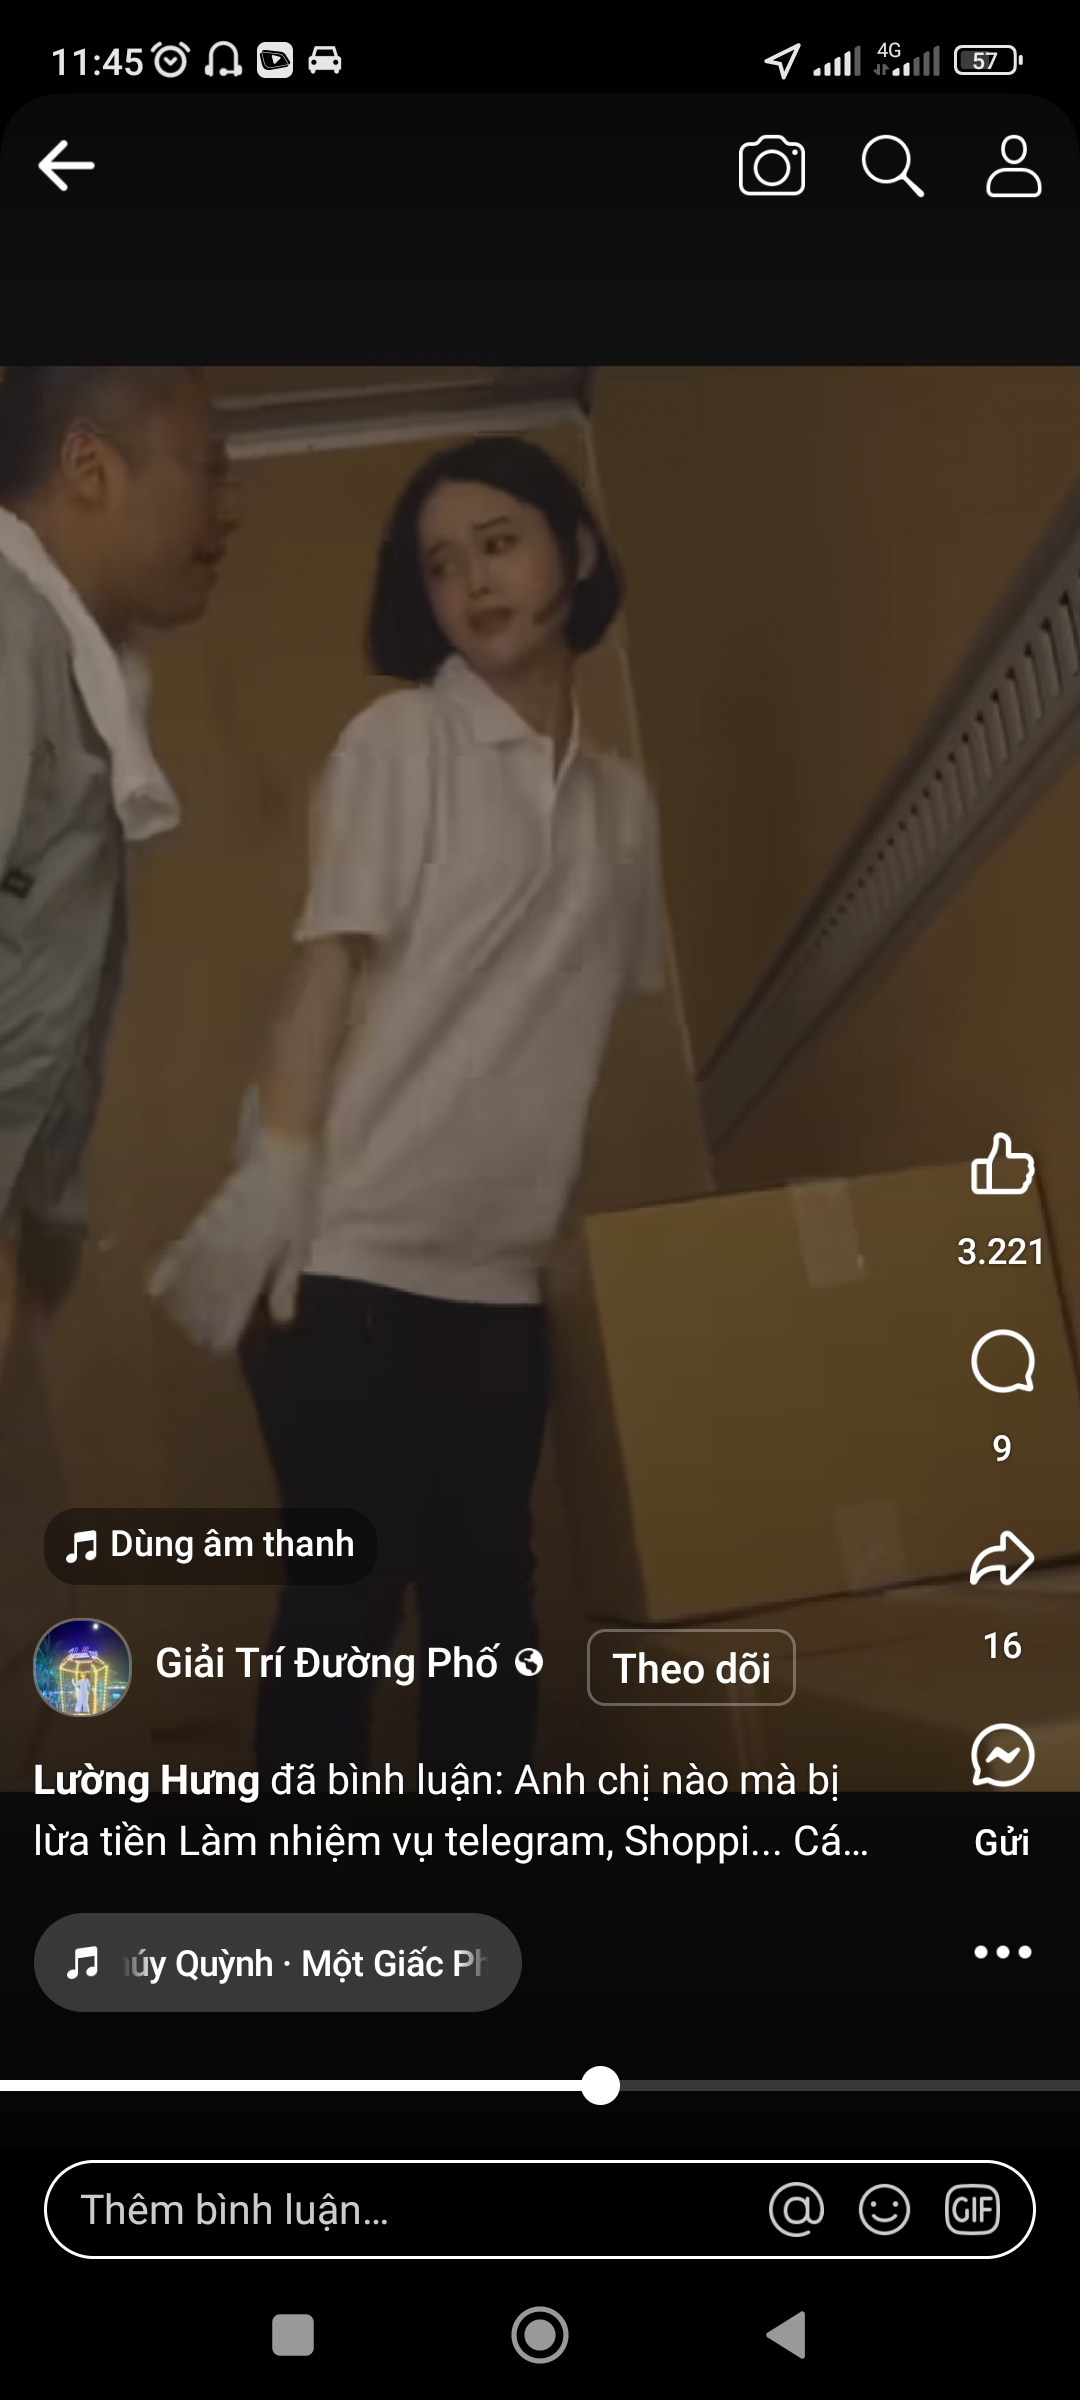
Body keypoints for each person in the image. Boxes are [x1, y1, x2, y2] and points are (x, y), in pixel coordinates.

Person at [149, 435, 667, 1788]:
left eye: (499, 543)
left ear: (577, 552)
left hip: (489, 1278)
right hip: (343, 1254)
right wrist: (278, 1182)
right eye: (442, 565)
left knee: (489, 1605)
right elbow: (325, 972)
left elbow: (553, 1046)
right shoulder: (403, 739)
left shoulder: (619, 808)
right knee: (356, 1582)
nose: (472, 582)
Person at [0, 364, 235, 1368]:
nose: (229, 509)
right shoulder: (7, 632)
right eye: (206, 468)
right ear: (90, 466)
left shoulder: (70, 668)